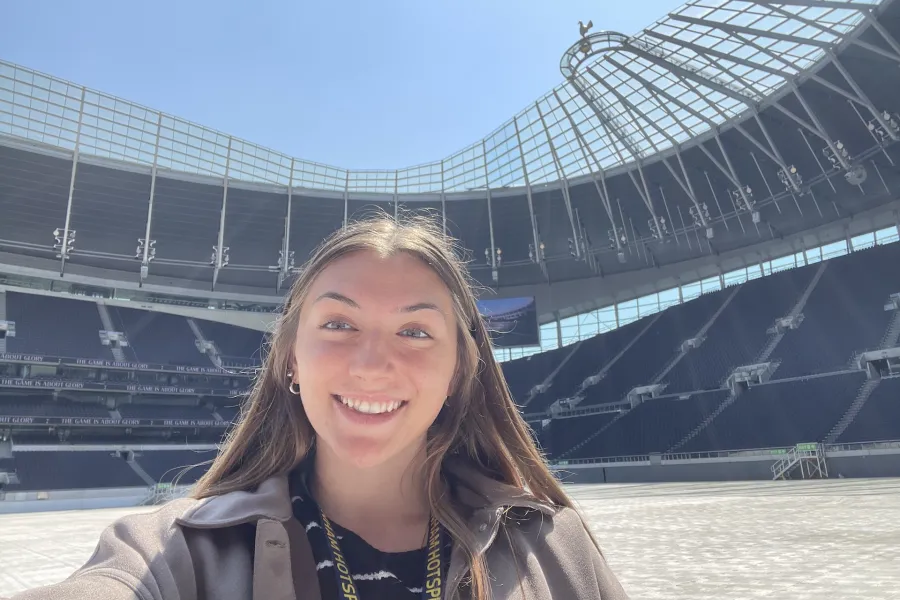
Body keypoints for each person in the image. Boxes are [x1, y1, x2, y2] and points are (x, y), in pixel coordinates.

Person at [8, 213, 627, 600]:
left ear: (460, 370)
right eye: (338, 324)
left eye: (415, 331)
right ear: (290, 361)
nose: (370, 365)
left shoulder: (554, 544)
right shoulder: (170, 554)